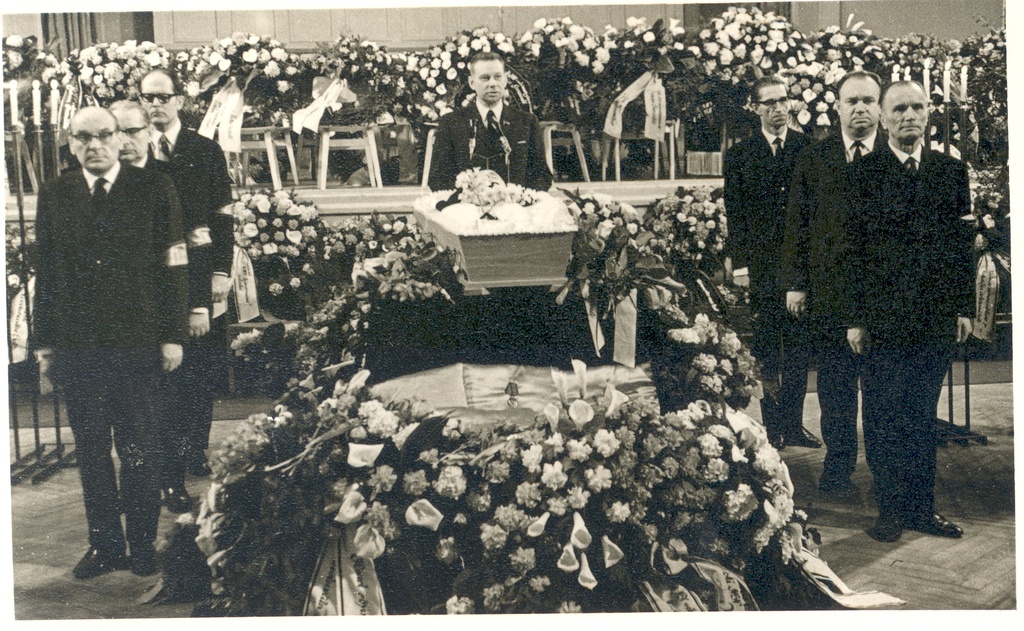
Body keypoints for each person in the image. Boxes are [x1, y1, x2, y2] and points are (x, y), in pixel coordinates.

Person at [33, 106, 189, 579]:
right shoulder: (56, 192)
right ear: (71, 142)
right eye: (83, 138)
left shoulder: (153, 188)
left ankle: (142, 544)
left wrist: (173, 335)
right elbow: (48, 271)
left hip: (137, 341)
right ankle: (104, 545)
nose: (94, 145)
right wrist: (45, 343)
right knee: (92, 449)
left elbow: (175, 264)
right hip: (79, 346)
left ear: (121, 137)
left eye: (104, 135)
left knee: (139, 446)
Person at [845, 80, 974, 542]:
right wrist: (856, 318)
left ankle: (922, 509)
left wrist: (963, 307)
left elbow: (962, 248)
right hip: (882, 319)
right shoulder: (863, 173)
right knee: (883, 416)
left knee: (922, 416)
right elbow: (852, 251)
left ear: (928, 114)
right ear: (882, 116)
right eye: (899, 109)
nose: (909, 116)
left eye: (917, 107)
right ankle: (889, 512)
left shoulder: (950, 171)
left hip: (935, 317)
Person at [781, 70, 883, 497]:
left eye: (867, 101)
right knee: (836, 391)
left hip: (882, 296)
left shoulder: (895, 156)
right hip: (829, 293)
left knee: (880, 391)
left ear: (879, 107)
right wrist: (796, 283)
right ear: (837, 106)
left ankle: (884, 472)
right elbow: (797, 224)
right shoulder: (814, 159)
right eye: (851, 101)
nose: (860, 108)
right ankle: (838, 467)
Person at [139, 68, 235, 512]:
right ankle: (172, 462)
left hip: (200, 272)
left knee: (199, 371)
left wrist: (220, 273)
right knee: (169, 380)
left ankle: (194, 448)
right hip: (158, 277)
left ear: (179, 100)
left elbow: (222, 215)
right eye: (147, 97)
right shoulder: (136, 151)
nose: (155, 104)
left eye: (162, 96)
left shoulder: (204, 149)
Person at [724, 75, 817, 450]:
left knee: (797, 350)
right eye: (770, 103)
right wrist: (742, 264)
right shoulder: (740, 155)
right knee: (765, 350)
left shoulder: (808, 149)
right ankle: (772, 426)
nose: (779, 108)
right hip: (761, 268)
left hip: (799, 269)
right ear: (756, 108)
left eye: (783, 101)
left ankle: (793, 426)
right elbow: (736, 214)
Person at [428, 51, 552, 192]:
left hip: (516, 210)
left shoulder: (526, 122)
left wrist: (520, 200)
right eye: (485, 78)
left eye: (497, 77)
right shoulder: (451, 123)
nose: (492, 84)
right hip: (466, 210)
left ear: (505, 80)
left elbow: (542, 176)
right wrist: (470, 201)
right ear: (472, 83)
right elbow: (438, 178)